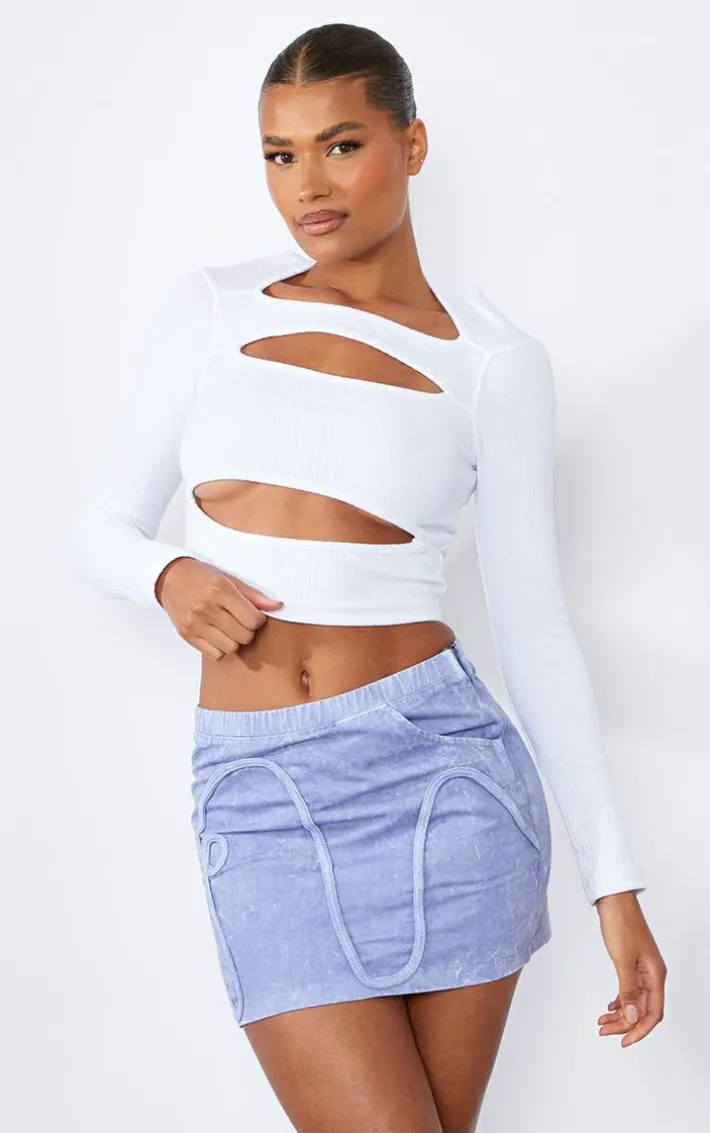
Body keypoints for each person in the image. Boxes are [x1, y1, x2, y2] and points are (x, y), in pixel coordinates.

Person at [73, 21, 667, 1133]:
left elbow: (535, 628)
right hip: (258, 796)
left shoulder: (494, 361)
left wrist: (613, 882)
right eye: (280, 154)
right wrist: (165, 574)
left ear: (413, 143)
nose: (307, 185)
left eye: (341, 145)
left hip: (447, 784)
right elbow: (101, 529)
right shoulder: (212, 307)